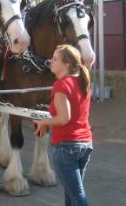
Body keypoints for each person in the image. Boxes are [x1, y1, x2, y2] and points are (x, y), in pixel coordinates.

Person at [33, 44, 93, 206]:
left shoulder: (61, 85)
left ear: (66, 64)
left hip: (66, 146)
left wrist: (43, 122)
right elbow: (73, 111)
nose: (50, 61)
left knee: (77, 195)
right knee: (71, 192)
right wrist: (50, 112)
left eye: (55, 59)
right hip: (85, 144)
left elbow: (63, 119)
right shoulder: (81, 81)